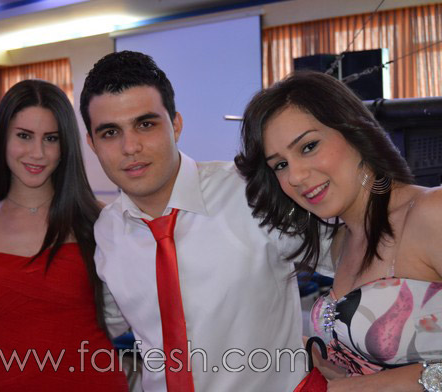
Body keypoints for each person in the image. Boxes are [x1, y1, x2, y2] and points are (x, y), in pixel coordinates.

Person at [79, 50, 324, 391]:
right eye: (110, 133)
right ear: (92, 144)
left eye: (145, 124)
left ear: (176, 125)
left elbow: (354, 252)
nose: (130, 146)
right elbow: (101, 322)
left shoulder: (252, 193)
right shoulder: (107, 230)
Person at [235, 70, 442, 391]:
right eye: (280, 165)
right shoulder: (341, 243)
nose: (296, 177)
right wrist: (339, 365)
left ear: (354, 132)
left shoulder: (432, 212)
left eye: (308, 146)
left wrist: (374, 385)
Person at [0, 79, 128, 391]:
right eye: (24, 136)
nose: (37, 153)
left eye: (51, 138)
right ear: (2, 138)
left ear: (65, 145)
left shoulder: (99, 219)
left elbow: (134, 313)